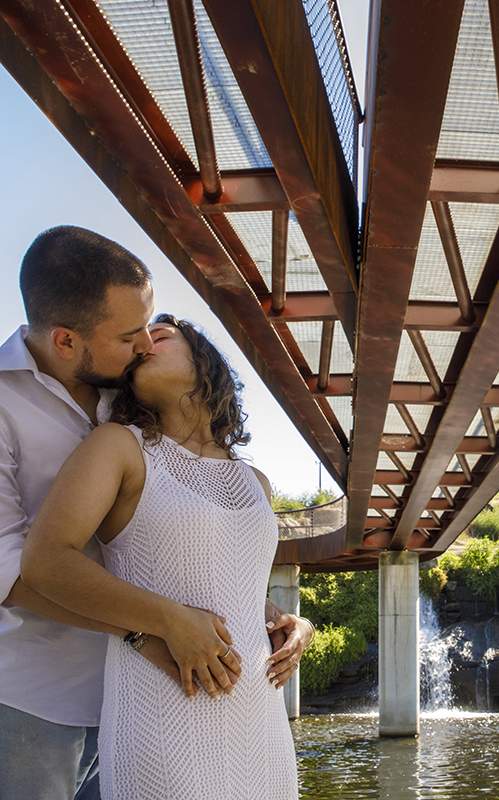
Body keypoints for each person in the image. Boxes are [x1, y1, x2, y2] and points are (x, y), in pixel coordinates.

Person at [0, 226, 310, 800]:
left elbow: (175, 549)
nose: (142, 348)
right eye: (131, 335)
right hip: (33, 692)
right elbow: (5, 567)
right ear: (65, 340)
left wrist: (266, 618)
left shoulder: (126, 401)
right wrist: (155, 629)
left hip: (147, 691)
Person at [21, 315, 300, 800]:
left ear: (204, 360)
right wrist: (168, 621)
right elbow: (45, 561)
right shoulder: (119, 446)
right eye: (134, 343)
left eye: (162, 335)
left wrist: (291, 624)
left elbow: (230, 583)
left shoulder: (256, 483)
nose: (143, 344)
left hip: (263, 724)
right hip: (163, 712)